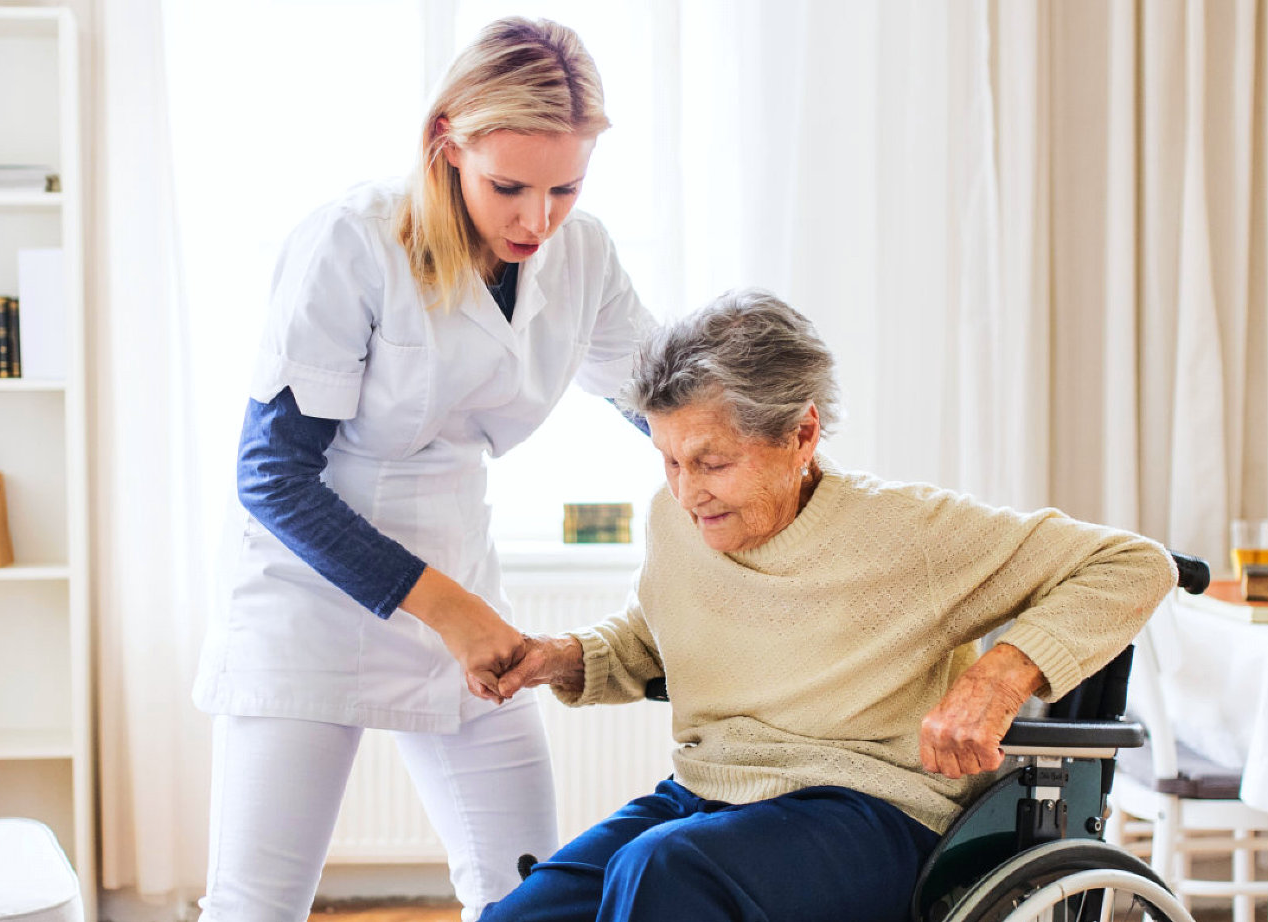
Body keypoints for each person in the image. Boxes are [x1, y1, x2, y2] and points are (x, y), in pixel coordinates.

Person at [477, 288, 1176, 922]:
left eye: (713, 463)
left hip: (871, 809)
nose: (688, 493)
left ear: (801, 436)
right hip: (710, 795)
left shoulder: (907, 533)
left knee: (662, 870)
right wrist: (560, 658)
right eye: (670, 461)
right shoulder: (676, 518)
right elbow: (652, 637)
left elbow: (1135, 563)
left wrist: (1003, 675)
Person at [191, 17, 656, 922]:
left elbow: (660, 396)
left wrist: (769, 458)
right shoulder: (352, 243)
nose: (537, 219)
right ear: (449, 142)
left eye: (566, 186)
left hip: (460, 572)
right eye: (509, 186)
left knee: (529, 895)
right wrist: (450, 610)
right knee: (257, 905)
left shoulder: (582, 252)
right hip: (309, 597)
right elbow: (273, 477)